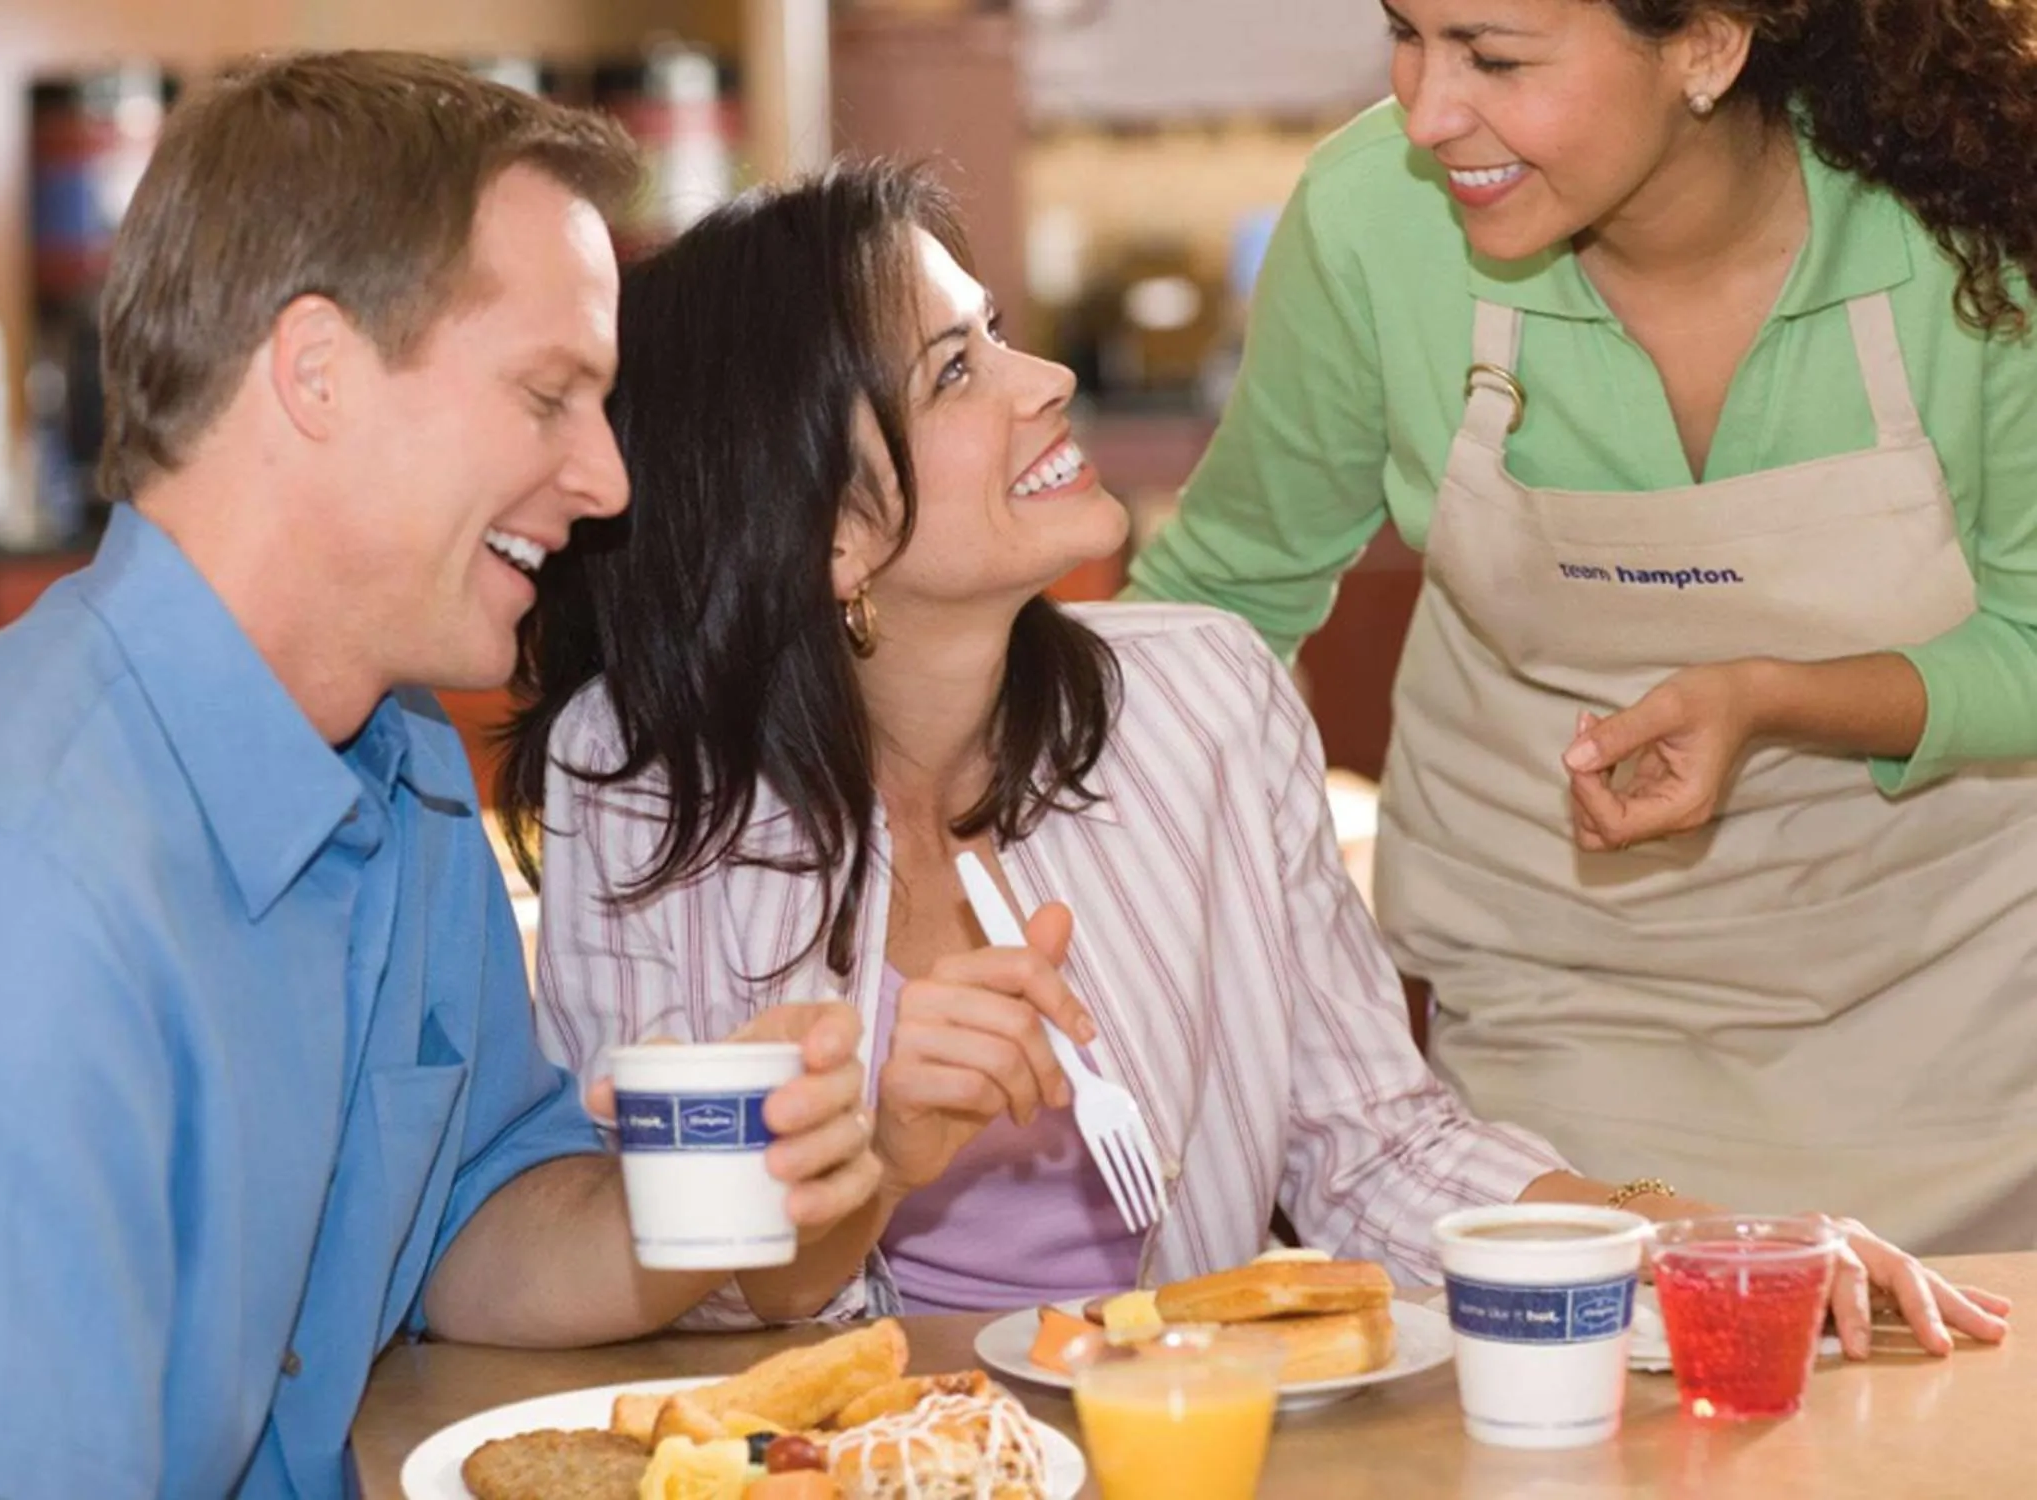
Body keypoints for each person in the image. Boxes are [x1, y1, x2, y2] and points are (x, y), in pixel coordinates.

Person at [497, 160, 2004, 1354]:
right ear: (823, 525)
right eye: (957, 371)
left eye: (1001, 333)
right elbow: (669, 1291)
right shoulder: (636, 786)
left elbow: (1372, 1153)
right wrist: (878, 1153)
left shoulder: (1200, 707)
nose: (1045, 384)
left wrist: (1687, 1241)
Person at [0, 53, 879, 1500]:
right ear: (315, 372)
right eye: (551, 394)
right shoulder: (1, 895)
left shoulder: (403, 762)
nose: (608, 480)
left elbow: (464, 1219)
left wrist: (712, 1200)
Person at [1126, 0, 2037, 1256]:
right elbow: (1220, 599)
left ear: (1708, 48)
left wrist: (1772, 698)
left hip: (1969, 1020)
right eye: (1407, 32)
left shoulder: (1973, 223)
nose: (1429, 110)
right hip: (1562, 1024)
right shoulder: (1376, 225)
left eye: (1493, 57)